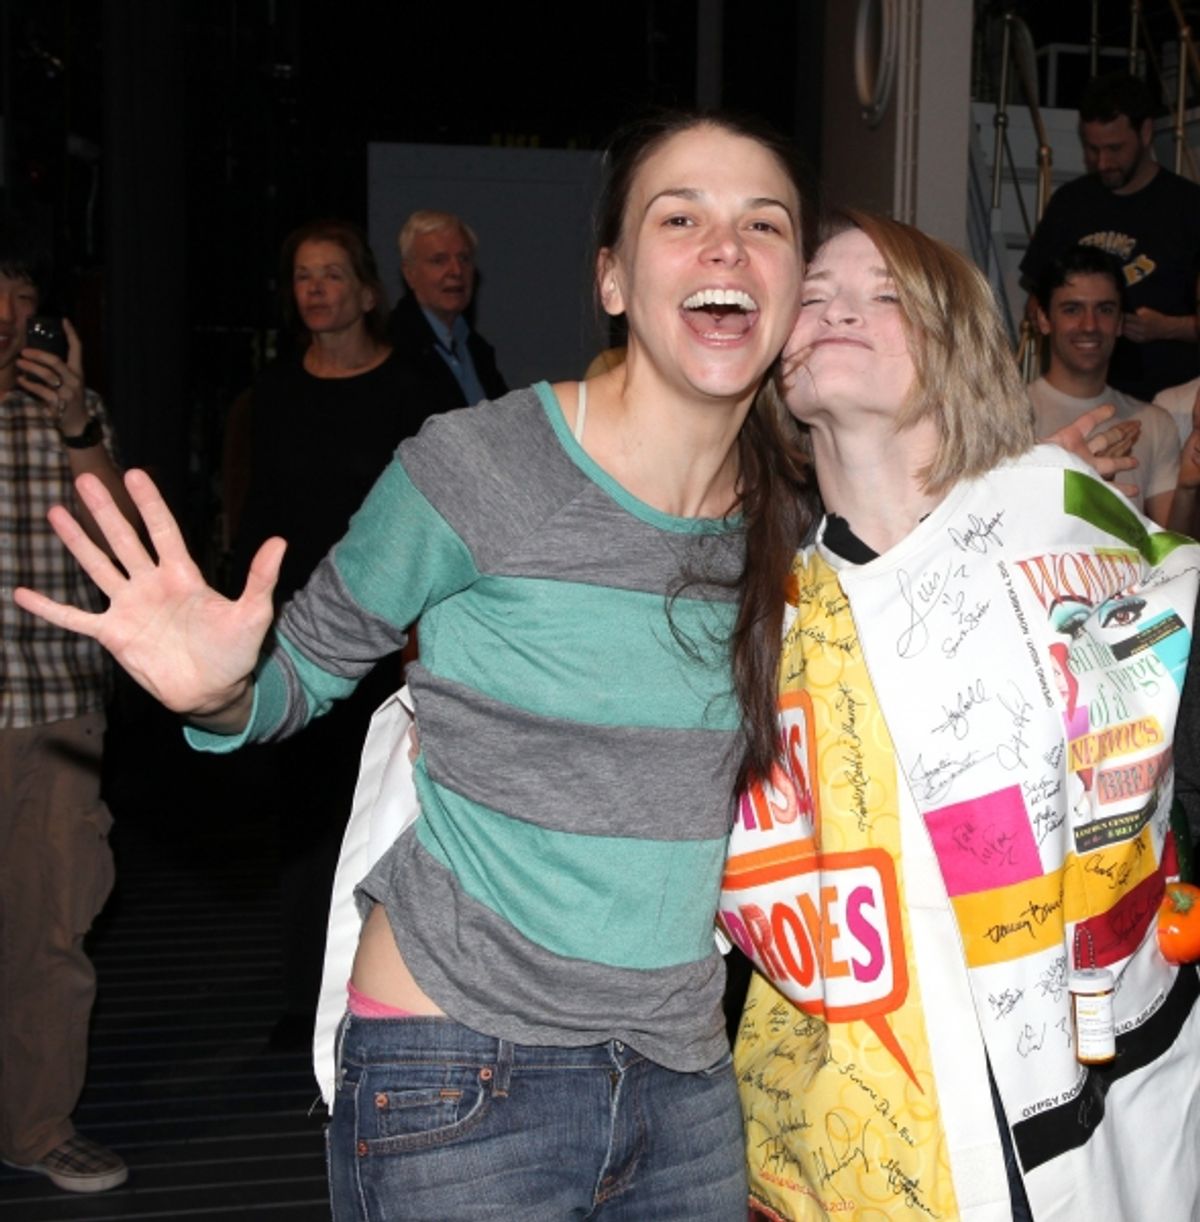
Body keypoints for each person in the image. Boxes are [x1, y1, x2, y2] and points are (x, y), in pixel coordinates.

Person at [14, 110, 816, 1220]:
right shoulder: (483, 466)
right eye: (681, 217)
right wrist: (223, 691)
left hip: (684, 1080)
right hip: (464, 1075)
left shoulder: (788, 524)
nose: (726, 247)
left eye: (762, 223)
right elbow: (300, 669)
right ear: (615, 280)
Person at [727, 211, 1200, 1221]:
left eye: (882, 291)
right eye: (809, 297)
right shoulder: (759, 615)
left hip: (1080, 1098)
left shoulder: (1063, 527)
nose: (836, 306)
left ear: (959, 347)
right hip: (856, 1145)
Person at [230, 220, 429, 1041]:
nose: (316, 289)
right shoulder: (270, 396)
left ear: (368, 291)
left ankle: (383, 987)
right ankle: (302, 994)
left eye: (333, 275)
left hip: (395, 639)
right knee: (307, 824)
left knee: (389, 811)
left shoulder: (414, 390)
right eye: (304, 277)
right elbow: (255, 518)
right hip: (303, 639)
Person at [0, 222, 136, 1193]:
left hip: (50, 713)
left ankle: (38, 1126)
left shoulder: (64, 415)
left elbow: (122, 546)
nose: (4, 313)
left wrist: (81, 427)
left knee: (50, 931)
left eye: (15, 292)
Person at [1020, 72, 1200, 401]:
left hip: (1170, 399)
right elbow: (1036, 295)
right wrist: (1050, 315)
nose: (1103, 162)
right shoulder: (1070, 203)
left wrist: (1167, 327)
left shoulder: (1188, 207)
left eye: (1115, 148)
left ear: (1145, 132)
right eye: (1093, 149)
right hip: (1082, 398)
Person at [1028, 243, 1190, 528]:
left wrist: (1189, 488)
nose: (1089, 325)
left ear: (1119, 322)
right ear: (1044, 318)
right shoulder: (1007, 415)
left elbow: (1174, 550)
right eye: (1072, 309)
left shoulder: (1152, 422)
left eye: (1104, 309)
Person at [387, 210, 508, 410]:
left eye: (464, 259)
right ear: (410, 273)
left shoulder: (477, 349)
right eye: (439, 260)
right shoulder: (389, 349)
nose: (456, 271)